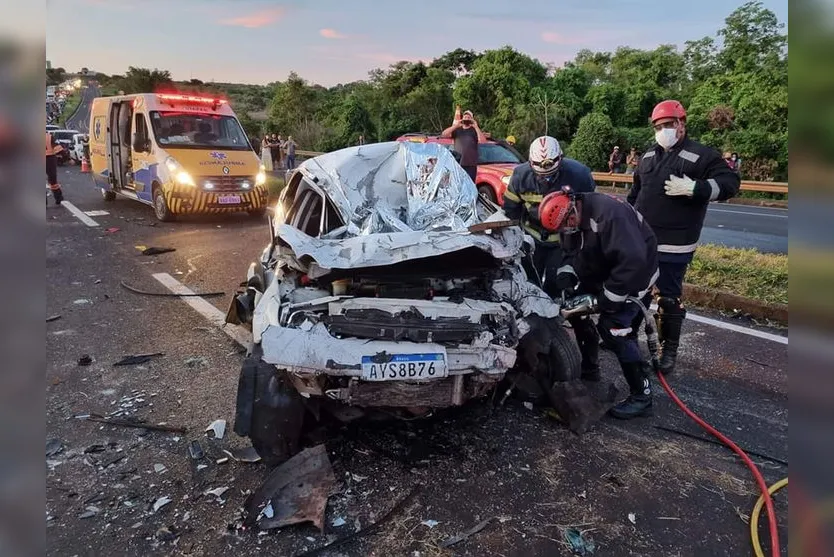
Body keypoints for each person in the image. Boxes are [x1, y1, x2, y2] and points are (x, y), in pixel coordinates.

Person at [627, 100, 740, 375]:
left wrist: (696, 188)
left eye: (668, 125)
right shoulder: (648, 157)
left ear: (681, 124)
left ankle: (668, 351)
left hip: (676, 241)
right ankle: (626, 337)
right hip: (644, 238)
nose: (663, 130)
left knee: (668, 297)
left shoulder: (702, 155)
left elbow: (730, 184)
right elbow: (636, 194)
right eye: (658, 126)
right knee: (635, 291)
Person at [540, 187, 659, 418]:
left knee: (615, 329)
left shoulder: (610, 215)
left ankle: (642, 395)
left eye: (567, 223)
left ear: (573, 209)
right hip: (603, 267)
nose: (566, 229)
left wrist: (606, 301)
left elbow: (632, 261)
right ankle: (590, 369)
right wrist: (567, 276)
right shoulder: (569, 216)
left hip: (634, 276)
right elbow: (570, 250)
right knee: (575, 311)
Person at [502, 136, 596, 296]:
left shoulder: (579, 175)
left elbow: (590, 211)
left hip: (563, 240)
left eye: (551, 175)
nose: (545, 179)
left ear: (560, 159)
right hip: (531, 238)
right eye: (540, 175)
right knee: (529, 281)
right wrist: (517, 240)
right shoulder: (520, 176)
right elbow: (511, 211)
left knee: (556, 283)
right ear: (531, 163)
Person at [441, 109, 486, 182]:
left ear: (472, 119)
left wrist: (476, 127)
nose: (466, 119)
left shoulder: (474, 130)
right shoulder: (457, 130)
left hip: (470, 165)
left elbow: (483, 141)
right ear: (462, 118)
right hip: (457, 164)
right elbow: (443, 134)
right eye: (465, 117)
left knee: (469, 185)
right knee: (458, 185)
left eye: (469, 118)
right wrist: (456, 126)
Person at [45, 130, 64, 205]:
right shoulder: (49, 136)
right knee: (53, 181)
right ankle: (58, 198)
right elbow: (57, 148)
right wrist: (67, 157)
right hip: (50, 160)